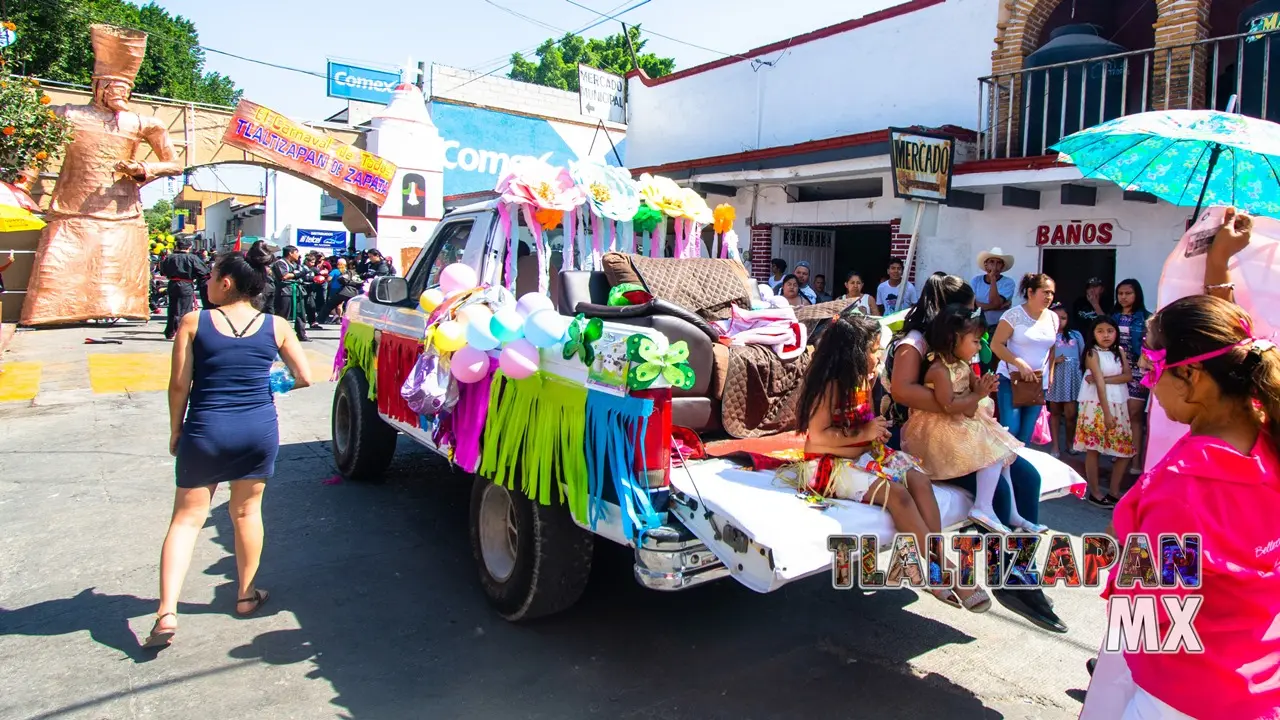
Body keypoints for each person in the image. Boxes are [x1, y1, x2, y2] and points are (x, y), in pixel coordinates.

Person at [1080, 295, 1280, 720]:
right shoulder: (1268, 441)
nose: (1149, 381)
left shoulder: (1182, 487)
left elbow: (1143, 613)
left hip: (1183, 696)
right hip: (1258, 685)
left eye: (1152, 366)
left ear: (1193, 375)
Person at [145, 245, 313, 649]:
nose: (206, 282)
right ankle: (245, 595)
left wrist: (175, 430)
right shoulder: (276, 325)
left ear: (226, 282)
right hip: (257, 429)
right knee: (246, 512)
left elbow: (179, 385)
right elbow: (305, 377)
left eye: (211, 276)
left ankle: (167, 611)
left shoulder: (192, 322)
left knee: (186, 520)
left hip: (206, 429)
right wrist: (269, 386)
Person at [885, 272, 1066, 633]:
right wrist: (956, 403)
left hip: (960, 428)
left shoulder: (954, 348)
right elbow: (903, 391)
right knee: (996, 491)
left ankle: (1021, 568)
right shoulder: (916, 343)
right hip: (927, 439)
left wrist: (972, 400)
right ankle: (1011, 580)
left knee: (1026, 476)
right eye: (968, 310)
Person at [787, 309, 990, 612]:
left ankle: (933, 566)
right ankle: (944, 571)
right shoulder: (829, 385)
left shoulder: (862, 380)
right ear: (853, 353)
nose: (880, 353)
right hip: (830, 464)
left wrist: (875, 432)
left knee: (919, 479)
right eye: (874, 349)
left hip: (863, 454)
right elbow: (817, 437)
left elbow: (864, 422)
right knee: (898, 496)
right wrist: (865, 431)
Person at [903, 304, 1044, 534]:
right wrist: (978, 394)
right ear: (953, 339)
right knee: (993, 454)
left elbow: (969, 407)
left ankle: (1012, 514)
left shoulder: (962, 365)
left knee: (1003, 452)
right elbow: (949, 405)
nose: (979, 347)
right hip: (939, 433)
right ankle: (983, 507)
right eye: (976, 341)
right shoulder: (939, 370)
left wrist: (980, 388)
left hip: (962, 423)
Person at [1074, 316, 1135, 506]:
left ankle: (1115, 492)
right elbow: (1098, 382)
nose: (1106, 335)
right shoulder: (1092, 353)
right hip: (1096, 404)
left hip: (1119, 402)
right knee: (1094, 449)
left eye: (1110, 330)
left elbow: (1127, 376)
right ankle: (1095, 492)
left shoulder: (1120, 352)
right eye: (1100, 331)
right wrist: (1107, 413)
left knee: (1125, 449)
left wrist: (1107, 380)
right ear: (1093, 334)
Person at [991, 273, 1058, 444]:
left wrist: (1050, 375)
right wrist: (1018, 363)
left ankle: (1017, 470)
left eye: (1051, 293)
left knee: (1026, 433)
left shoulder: (1053, 317)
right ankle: (1003, 470)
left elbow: (1051, 348)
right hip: (1011, 380)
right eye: (1045, 292)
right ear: (1030, 292)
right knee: (1010, 430)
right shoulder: (1013, 315)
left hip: (1037, 383)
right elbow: (996, 345)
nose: (1049, 297)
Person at [1112, 279, 1151, 476]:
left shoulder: (1145, 318)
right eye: (1120, 293)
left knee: (1135, 415)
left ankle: (1136, 459)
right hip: (1116, 369)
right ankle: (1120, 454)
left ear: (1137, 295)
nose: (1124, 297)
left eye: (1128, 293)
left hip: (1138, 370)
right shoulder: (1113, 318)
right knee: (1120, 414)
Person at [1045, 302, 1084, 459]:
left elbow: (1083, 355)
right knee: (1054, 412)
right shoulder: (1047, 336)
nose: (1060, 321)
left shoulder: (1076, 335)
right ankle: (1055, 445)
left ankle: (1070, 442)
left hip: (1073, 377)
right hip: (1055, 376)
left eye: (1064, 318)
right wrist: (1054, 361)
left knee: (1071, 414)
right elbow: (1041, 358)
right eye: (1056, 318)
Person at [159, 239, 209, 340]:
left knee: (172, 309)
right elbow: (203, 273)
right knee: (185, 309)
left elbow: (162, 272)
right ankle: (182, 331)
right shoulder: (192, 258)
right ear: (189, 247)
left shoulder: (169, 258)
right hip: (186, 284)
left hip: (172, 284)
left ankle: (170, 331)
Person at [271, 246, 309, 342]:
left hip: (296, 291)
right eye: (296, 252)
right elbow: (284, 276)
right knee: (283, 314)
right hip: (285, 291)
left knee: (301, 313)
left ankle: (301, 334)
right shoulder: (280, 263)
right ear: (290, 253)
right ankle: (277, 335)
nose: (298, 255)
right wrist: (298, 274)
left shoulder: (295, 264)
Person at [971, 247, 1016, 328]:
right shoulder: (976, 281)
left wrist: (993, 279)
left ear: (1002, 266)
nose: (995, 266)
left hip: (998, 326)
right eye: (991, 261)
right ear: (986, 264)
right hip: (977, 325)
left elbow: (995, 302)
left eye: (999, 263)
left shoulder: (1008, 283)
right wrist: (996, 307)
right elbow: (972, 304)